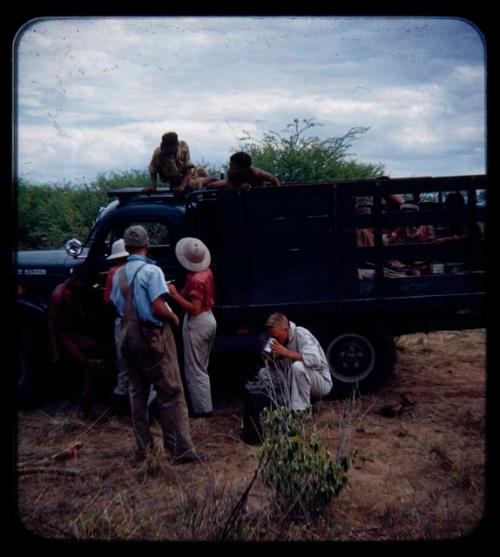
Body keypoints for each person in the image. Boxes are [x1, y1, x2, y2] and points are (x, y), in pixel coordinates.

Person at [110, 225, 206, 464]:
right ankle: (181, 451)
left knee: (137, 394)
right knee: (171, 393)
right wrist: (173, 318)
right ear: (147, 245)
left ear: (126, 247)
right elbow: (157, 306)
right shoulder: (152, 271)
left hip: (127, 338)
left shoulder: (118, 274)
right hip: (152, 336)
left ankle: (145, 450)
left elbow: (117, 305)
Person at [48, 264, 113, 417]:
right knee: (87, 366)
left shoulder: (79, 291)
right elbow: (52, 324)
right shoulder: (59, 294)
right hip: (65, 336)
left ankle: (93, 403)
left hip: (78, 333)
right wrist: (55, 351)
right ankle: (86, 409)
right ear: (75, 279)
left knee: (103, 360)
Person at [167, 237, 216, 419]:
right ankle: (203, 406)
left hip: (198, 320)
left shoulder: (196, 280)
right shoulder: (206, 272)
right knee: (201, 365)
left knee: (195, 369)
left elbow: (194, 308)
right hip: (208, 318)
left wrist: (174, 295)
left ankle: (202, 410)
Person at [257, 313, 332, 412]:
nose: (275, 340)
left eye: (277, 337)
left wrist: (287, 353)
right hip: (291, 378)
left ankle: (300, 412)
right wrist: (271, 358)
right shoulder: (276, 339)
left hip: (319, 380)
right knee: (264, 373)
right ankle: (283, 408)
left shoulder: (301, 334)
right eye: (272, 337)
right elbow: (272, 366)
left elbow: (314, 360)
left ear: (286, 330)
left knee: (297, 367)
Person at [146, 131, 217, 194]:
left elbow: (188, 171)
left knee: (191, 185)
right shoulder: (158, 153)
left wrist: (182, 186)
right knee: (176, 190)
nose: (170, 155)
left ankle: (212, 179)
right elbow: (153, 171)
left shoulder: (183, 147)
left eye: (171, 152)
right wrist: (153, 187)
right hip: (175, 180)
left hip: (192, 174)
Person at [206, 151, 281, 190]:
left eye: (233, 166)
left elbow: (274, 180)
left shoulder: (256, 173)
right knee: (211, 186)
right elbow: (230, 191)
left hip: (257, 195)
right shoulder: (231, 173)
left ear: (243, 168)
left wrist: (275, 196)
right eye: (230, 164)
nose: (230, 167)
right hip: (238, 192)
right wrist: (239, 188)